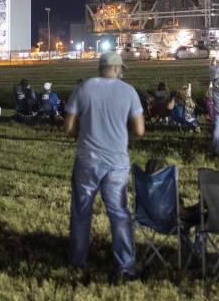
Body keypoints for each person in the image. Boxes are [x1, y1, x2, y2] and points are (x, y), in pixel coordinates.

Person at [64, 51, 144, 281]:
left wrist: (82, 136)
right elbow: (139, 130)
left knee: (81, 212)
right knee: (119, 213)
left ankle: (77, 261)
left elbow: (68, 126)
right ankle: (125, 266)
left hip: (87, 159)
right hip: (117, 162)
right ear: (118, 69)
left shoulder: (84, 88)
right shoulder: (128, 91)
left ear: (100, 68)